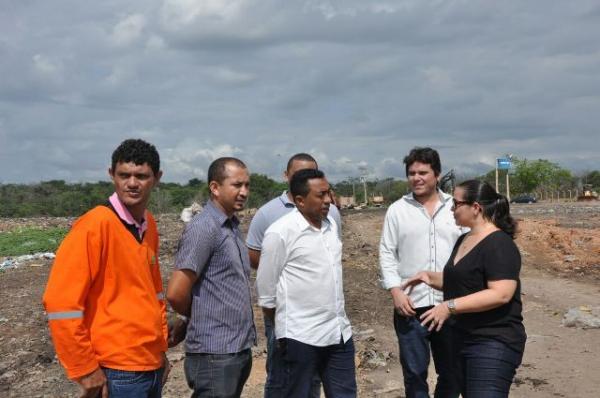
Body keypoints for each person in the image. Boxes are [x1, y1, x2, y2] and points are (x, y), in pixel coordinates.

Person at [43, 139, 169, 398]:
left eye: (141, 176)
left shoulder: (149, 225)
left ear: (156, 178)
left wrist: (161, 348)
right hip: (117, 370)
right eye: (124, 175)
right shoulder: (94, 226)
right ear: (112, 175)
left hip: (150, 363)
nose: (132, 183)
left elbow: (154, 293)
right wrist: (84, 368)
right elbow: (61, 303)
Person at [401, 180, 526, 397]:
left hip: (492, 341)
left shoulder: (499, 244)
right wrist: (429, 277)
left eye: (456, 203)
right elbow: (464, 281)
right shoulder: (465, 239)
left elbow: (501, 293)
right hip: (462, 338)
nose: (451, 208)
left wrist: (449, 306)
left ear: (475, 207)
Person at [246, 153, 342, 398]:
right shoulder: (268, 214)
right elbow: (256, 257)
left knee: (315, 378)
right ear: (286, 176)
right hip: (286, 316)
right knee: (282, 376)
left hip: (324, 320)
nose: (305, 177)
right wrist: (286, 271)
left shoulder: (331, 215)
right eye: (299, 174)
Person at [167, 157, 256, 398]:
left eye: (247, 185)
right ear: (215, 188)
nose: (244, 192)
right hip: (215, 351)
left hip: (235, 347)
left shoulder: (231, 225)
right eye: (237, 185)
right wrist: (189, 316)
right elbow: (176, 292)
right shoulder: (204, 227)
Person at [379, 147, 464, 398]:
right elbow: (386, 253)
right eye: (411, 173)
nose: (416, 178)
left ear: (436, 174)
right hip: (411, 307)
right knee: (414, 374)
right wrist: (395, 291)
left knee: (452, 372)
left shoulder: (455, 207)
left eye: (423, 172)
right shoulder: (397, 210)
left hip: (450, 306)